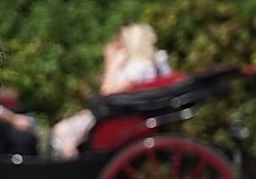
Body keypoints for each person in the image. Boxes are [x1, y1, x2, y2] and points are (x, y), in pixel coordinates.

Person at [51, 23, 175, 158]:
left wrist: (111, 63)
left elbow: (107, 93)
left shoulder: (140, 66)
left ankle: (73, 169)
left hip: (119, 118)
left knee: (62, 131)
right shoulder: (151, 65)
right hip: (121, 113)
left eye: (119, 41)